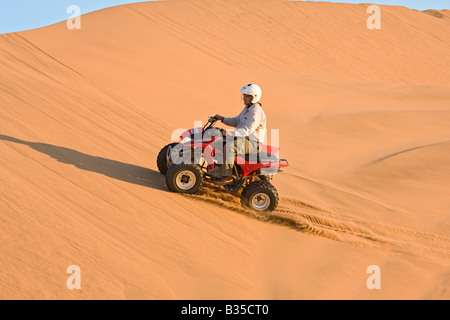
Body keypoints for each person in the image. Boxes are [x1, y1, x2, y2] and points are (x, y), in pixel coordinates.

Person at [213, 83, 267, 185]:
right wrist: (222, 118)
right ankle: (218, 168)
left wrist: (229, 133)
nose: (244, 98)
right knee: (219, 141)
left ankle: (227, 175)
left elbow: (247, 130)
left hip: (253, 143)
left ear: (254, 97)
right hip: (243, 139)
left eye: (247, 96)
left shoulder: (256, 112)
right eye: (244, 95)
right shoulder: (248, 109)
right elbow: (237, 121)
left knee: (230, 147)